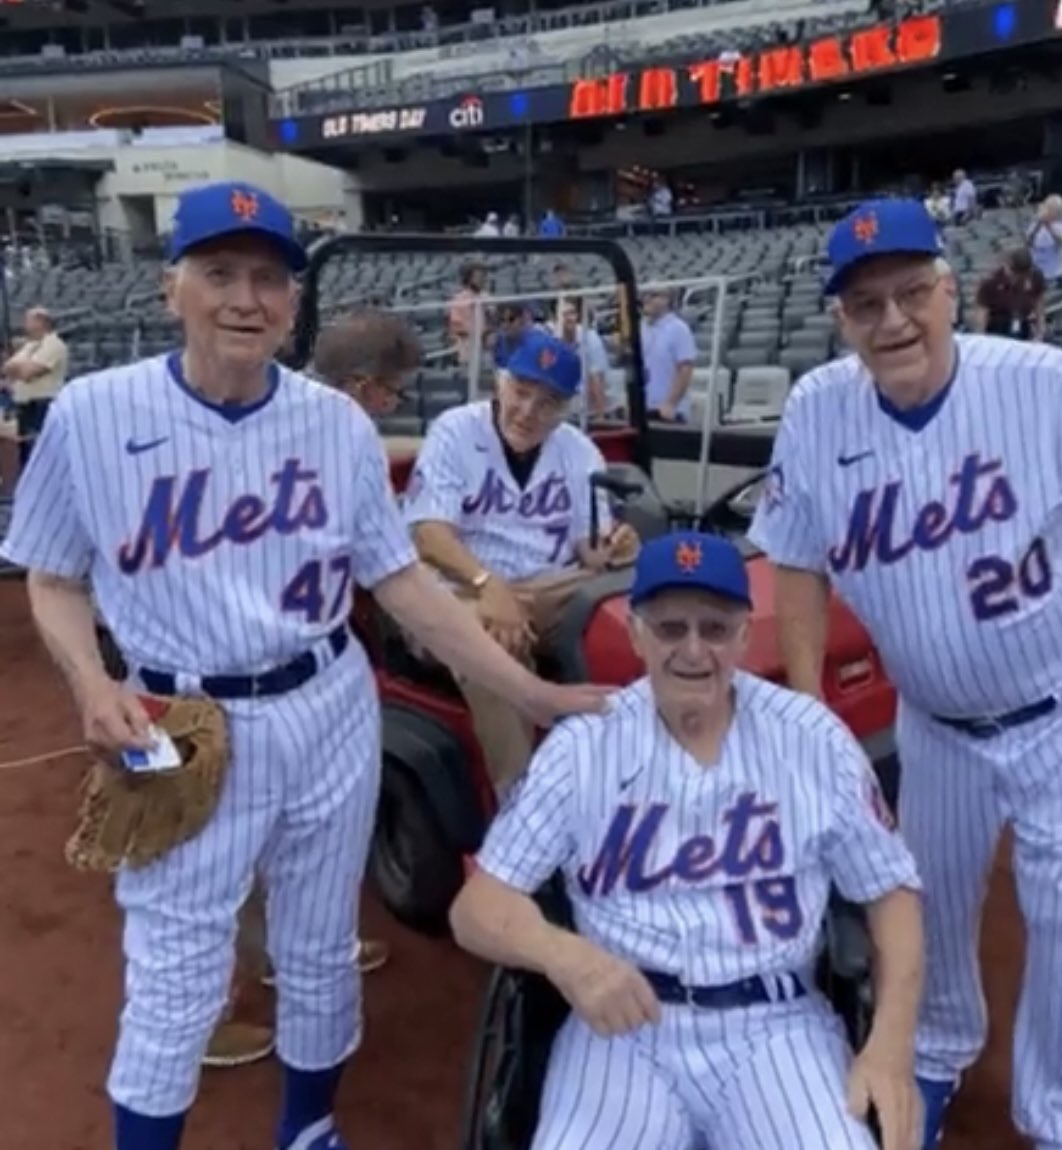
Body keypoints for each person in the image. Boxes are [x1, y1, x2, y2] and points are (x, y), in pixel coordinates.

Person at [0, 179, 610, 1150]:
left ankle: (308, 1128)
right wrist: (90, 681)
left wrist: (536, 690)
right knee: (176, 969)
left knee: (321, 949)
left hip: (329, 704)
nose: (246, 297)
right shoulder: (91, 413)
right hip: (178, 718)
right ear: (173, 289)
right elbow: (54, 577)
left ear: (293, 302)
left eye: (268, 279)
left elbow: (403, 583)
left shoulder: (335, 426)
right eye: (220, 273)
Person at [748, 196, 1062, 1150]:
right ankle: (935, 1052)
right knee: (927, 901)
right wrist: (813, 710)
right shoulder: (818, 412)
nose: (892, 321)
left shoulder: (1044, 383)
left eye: (909, 294)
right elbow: (798, 564)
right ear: (840, 321)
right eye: (866, 306)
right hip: (936, 723)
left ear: (947, 290)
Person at [450, 531, 926, 1150]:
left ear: (745, 636)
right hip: (623, 1031)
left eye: (715, 628)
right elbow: (477, 908)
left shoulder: (812, 737)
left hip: (776, 1024)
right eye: (671, 629)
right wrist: (564, 956)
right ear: (638, 635)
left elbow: (892, 894)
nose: (694, 650)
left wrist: (890, 1044)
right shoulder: (584, 745)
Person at [206, 307, 425, 1070]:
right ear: (364, 385)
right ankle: (212, 1008)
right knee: (221, 850)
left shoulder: (334, 424)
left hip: (304, 666)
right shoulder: (284, 427)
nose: (396, 405)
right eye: (393, 392)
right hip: (230, 672)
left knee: (292, 838)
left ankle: (282, 954)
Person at [404, 328, 639, 795]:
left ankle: (636, 772)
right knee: (489, 644)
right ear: (500, 382)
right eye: (522, 392)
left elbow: (586, 551)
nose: (529, 411)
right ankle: (523, 806)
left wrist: (613, 546)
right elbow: (428, 533)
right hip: (455, 592)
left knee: (637, 605)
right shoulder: (456, 429)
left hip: (548, 587)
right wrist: (487, 584)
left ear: (566, 408)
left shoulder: (577, 450)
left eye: (548, 402)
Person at [1, 306, 69, 468]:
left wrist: (19, 368)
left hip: (42, 404)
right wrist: (18, 368)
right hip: (24, 406)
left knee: (40, 451)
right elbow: (7, 367)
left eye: (28, 320)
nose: (25, 324)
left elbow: (28, 373)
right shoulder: (30, 346)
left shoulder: (54, 345)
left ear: (41, 322)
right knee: (26, 453)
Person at [640, 288, 696, 422]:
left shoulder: (679, 328)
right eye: (644, 295)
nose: (646, 299)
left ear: (667, 300)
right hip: (644, 407)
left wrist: (671, 403)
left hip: (668, 410)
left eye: (653, 295)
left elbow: (685, 369)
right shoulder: (642, 328)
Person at [972, 247, 1047, 341]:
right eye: (1014, 273)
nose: (1016, 278)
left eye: (1022, 275)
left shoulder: (1035, 277)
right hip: (997, 329)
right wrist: (981, 339)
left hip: (1022, 325)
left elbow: (1039, 305)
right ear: (1007, 266)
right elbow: (982, 314)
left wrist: (1040, 332)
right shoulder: (991, 281)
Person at [555, 295, 608, 417]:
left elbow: (598, 380)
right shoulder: (552, 341)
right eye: (564, 314)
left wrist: (601, 418)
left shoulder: (590, 338)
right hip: (562, 409)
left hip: (587, 408)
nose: (569, 318)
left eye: (572, 313)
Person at [1027, 194, 1062, 291]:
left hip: (1054, 272)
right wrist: (1038, 224)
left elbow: (1060, 242)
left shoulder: (1060, 226)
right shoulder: (1035, 225)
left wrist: (1048, 226)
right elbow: (1029, 241)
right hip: (1038, 270)